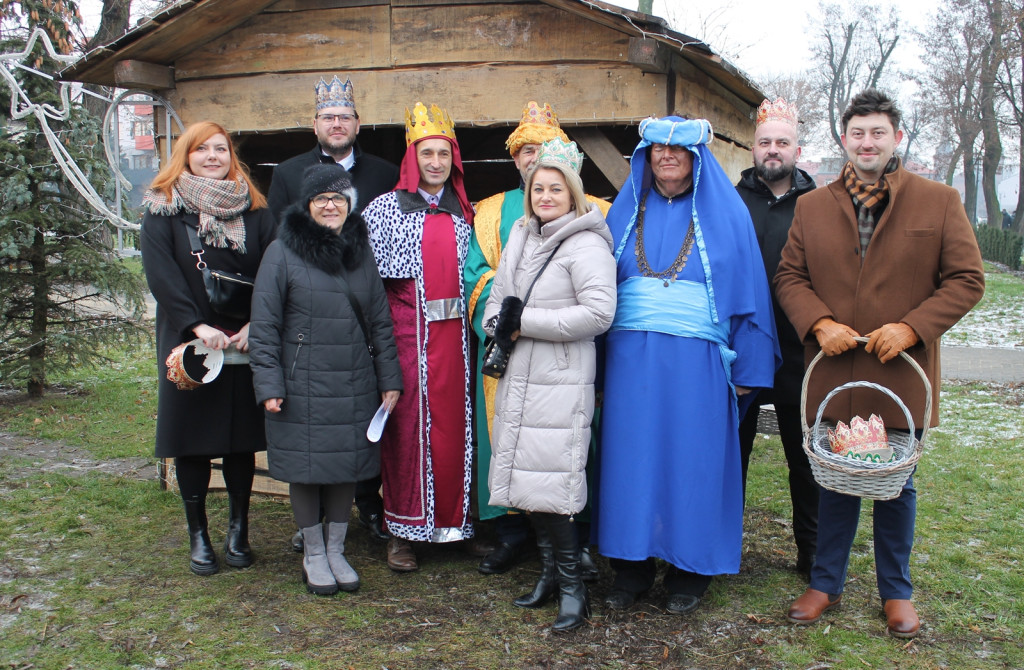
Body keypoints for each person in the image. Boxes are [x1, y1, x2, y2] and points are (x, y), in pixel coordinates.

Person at [775, 89, 985, 639]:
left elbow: (967, 279)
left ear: (896, 138)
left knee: (897, 487)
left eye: (878, 133)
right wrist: (819, 323)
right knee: (837, 482)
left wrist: (912, 327)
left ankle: (897, 592)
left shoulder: (938, 201)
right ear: (845, 140)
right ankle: (825, 583)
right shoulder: (811, 206)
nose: (867, 142)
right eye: (858, 133)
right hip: (834, 374)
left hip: (898, 375)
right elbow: (789, 277)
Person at [594, 116, 779, 615]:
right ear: (646, 157)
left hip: (699, 365)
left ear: (697, 158)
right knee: (629, 463)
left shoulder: (730, 215)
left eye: (678, 151)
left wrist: (747, 376)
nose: (667, 157)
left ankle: (690, 571)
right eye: (657, 150)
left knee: (693, 462)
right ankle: (630, 568)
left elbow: (752, 299)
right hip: (630, 364)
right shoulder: (622, 213)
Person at [465, 101, 610, 576]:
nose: (534, 159)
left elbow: (600, 304)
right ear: (515, 159)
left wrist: (523, 318)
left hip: (560, 364)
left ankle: (572, 558)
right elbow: (481, 279)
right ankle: (518, 540)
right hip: (513, 361)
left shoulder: (595, 220)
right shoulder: (494, 215)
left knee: (559, 455)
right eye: (526, 150)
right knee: (515, 449)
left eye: (544, 150)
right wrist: (499, 320)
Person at [249, 164, 403, 595]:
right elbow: (263, 325)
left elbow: (379, 322)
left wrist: (389, 379)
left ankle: (336, 550)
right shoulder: (282, 252)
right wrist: (270, 386)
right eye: (322, 199)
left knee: (345, 468)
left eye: (338, 198)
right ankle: (313, 553)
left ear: (349, 202)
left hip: (354, 381)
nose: (331, 205)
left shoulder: (360, 251)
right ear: (308, 205)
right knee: (307, 469)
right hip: (302, 385)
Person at [483, 138, 616, 633]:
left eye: (555, 188)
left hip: (559, 376)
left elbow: (599, 314)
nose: (545, 196)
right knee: (528, 483)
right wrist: (502, 321)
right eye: (538, 187)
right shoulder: (521, 233)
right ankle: (548, 577)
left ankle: (575, 591)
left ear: (573, 193)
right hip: (522, 373)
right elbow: (500, 297)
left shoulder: (586, 243)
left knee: (554, 485)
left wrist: (524, 323)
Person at [140, 121, 276, 576]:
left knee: (239, 441)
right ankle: (198, 534)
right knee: (192, 441)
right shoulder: (163, 210)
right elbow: (161, 275)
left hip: (242, 341)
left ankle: (239, 530)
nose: (213, 156)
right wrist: (196, 325)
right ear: (187, 155)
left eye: (221, 149)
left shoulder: (256, 212)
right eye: (202, 150)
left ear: (231, 157)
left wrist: (259, 322)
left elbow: (275, 269)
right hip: (187, 343)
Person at [267, 75, 398, 544]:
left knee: (356, 421)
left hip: (364, 303)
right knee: (315, 425)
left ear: (358, 123)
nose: (336, 123)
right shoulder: (289, 172)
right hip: (309, 311)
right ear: (315, 124)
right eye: (328, 117)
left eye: (344, 116)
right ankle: (314, 527)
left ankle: (368, 506)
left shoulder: (384, 174)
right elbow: (277, 245)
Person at [363, 102, 476, 572]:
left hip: (458, 347)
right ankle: (402, 531)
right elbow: (376, 289)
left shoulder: (463, 214)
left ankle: (456, 525)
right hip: (409, 342)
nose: (435, 163)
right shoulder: (385, 211)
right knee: (407, 435)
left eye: (443, 155)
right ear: (412, 158)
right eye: (427, 153)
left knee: (458, 432)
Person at [735, 98, 819, 579]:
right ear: (753, 149)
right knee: (732, 455)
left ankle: (812, 553)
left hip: (798, 351)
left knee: (804, 461)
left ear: (797, 149)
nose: (773, 150)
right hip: (742, 349)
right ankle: (722, 543)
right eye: (765, 142)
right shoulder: (729, 199)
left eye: (781, 142)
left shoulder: (819, 205)